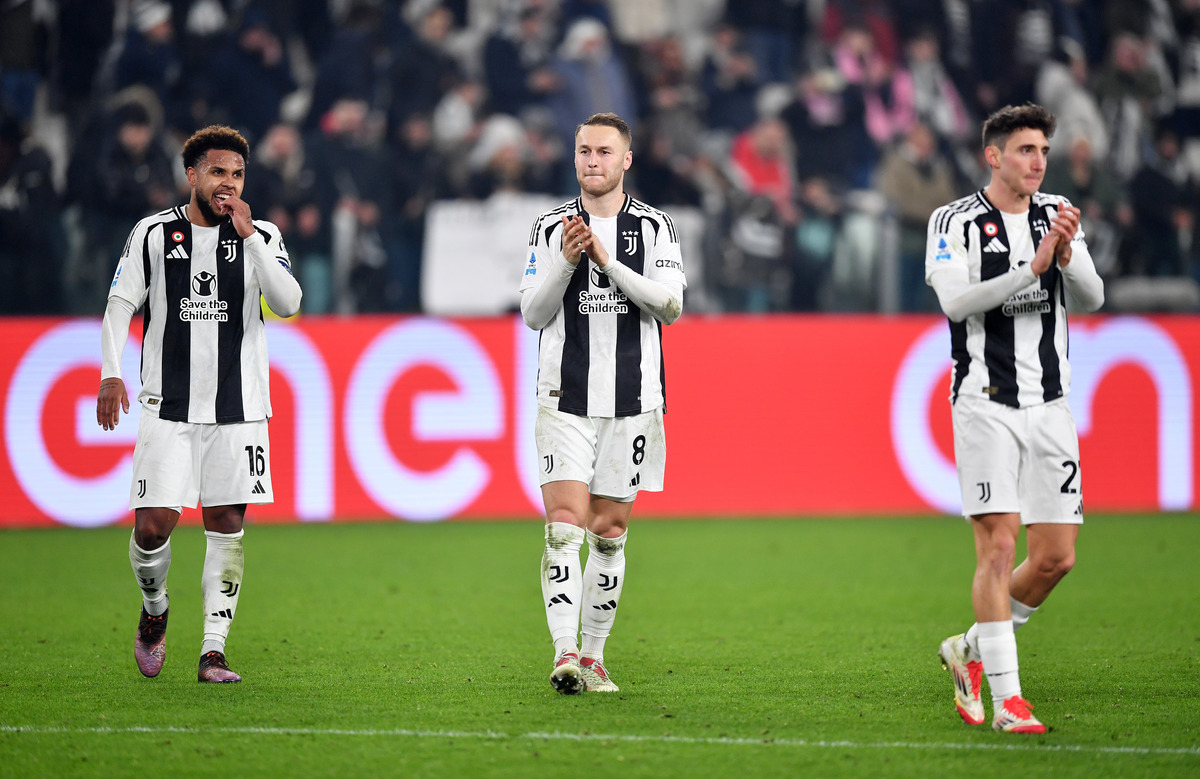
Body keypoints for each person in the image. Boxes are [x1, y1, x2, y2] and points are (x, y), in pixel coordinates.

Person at [96, 125, 302, 683]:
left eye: (237, 174)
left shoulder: (261, 235)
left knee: (227, 521)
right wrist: (111, 375)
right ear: (192, 175)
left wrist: (252, 238)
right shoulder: (153, 234)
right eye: (217, 172)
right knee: (153, 528)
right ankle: (156, 609)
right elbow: (120, 306)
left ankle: (213, 650)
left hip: (239, 410)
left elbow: (288, 303)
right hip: (168, 406)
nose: (228, 183)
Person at [926, 104, 1104, 733]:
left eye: (1044, 151)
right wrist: (1028, 268)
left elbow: (1093, 297)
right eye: (1026, 150)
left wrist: (1066, 253)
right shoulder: (953, 222)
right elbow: (955, 300)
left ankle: (971, 647)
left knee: (1056, 558)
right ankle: (1009, 701)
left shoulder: (1056, 213)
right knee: (999, 545)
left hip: (1051, 405)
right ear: (993, 156)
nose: (1038, 161)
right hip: (983, 401)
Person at [519, 113, 686, 694]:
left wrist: (608, 264)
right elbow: (534, 315)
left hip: (634, 400)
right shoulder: (548, 228)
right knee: (564, 525)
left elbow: (669, 305)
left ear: (626, 160)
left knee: (609, 531)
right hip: (564, 397)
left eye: (604, 152)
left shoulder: (656, 227)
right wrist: (567, 261)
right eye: (584, 151)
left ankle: (594, 657)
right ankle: (565, 653)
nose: (593, 161)